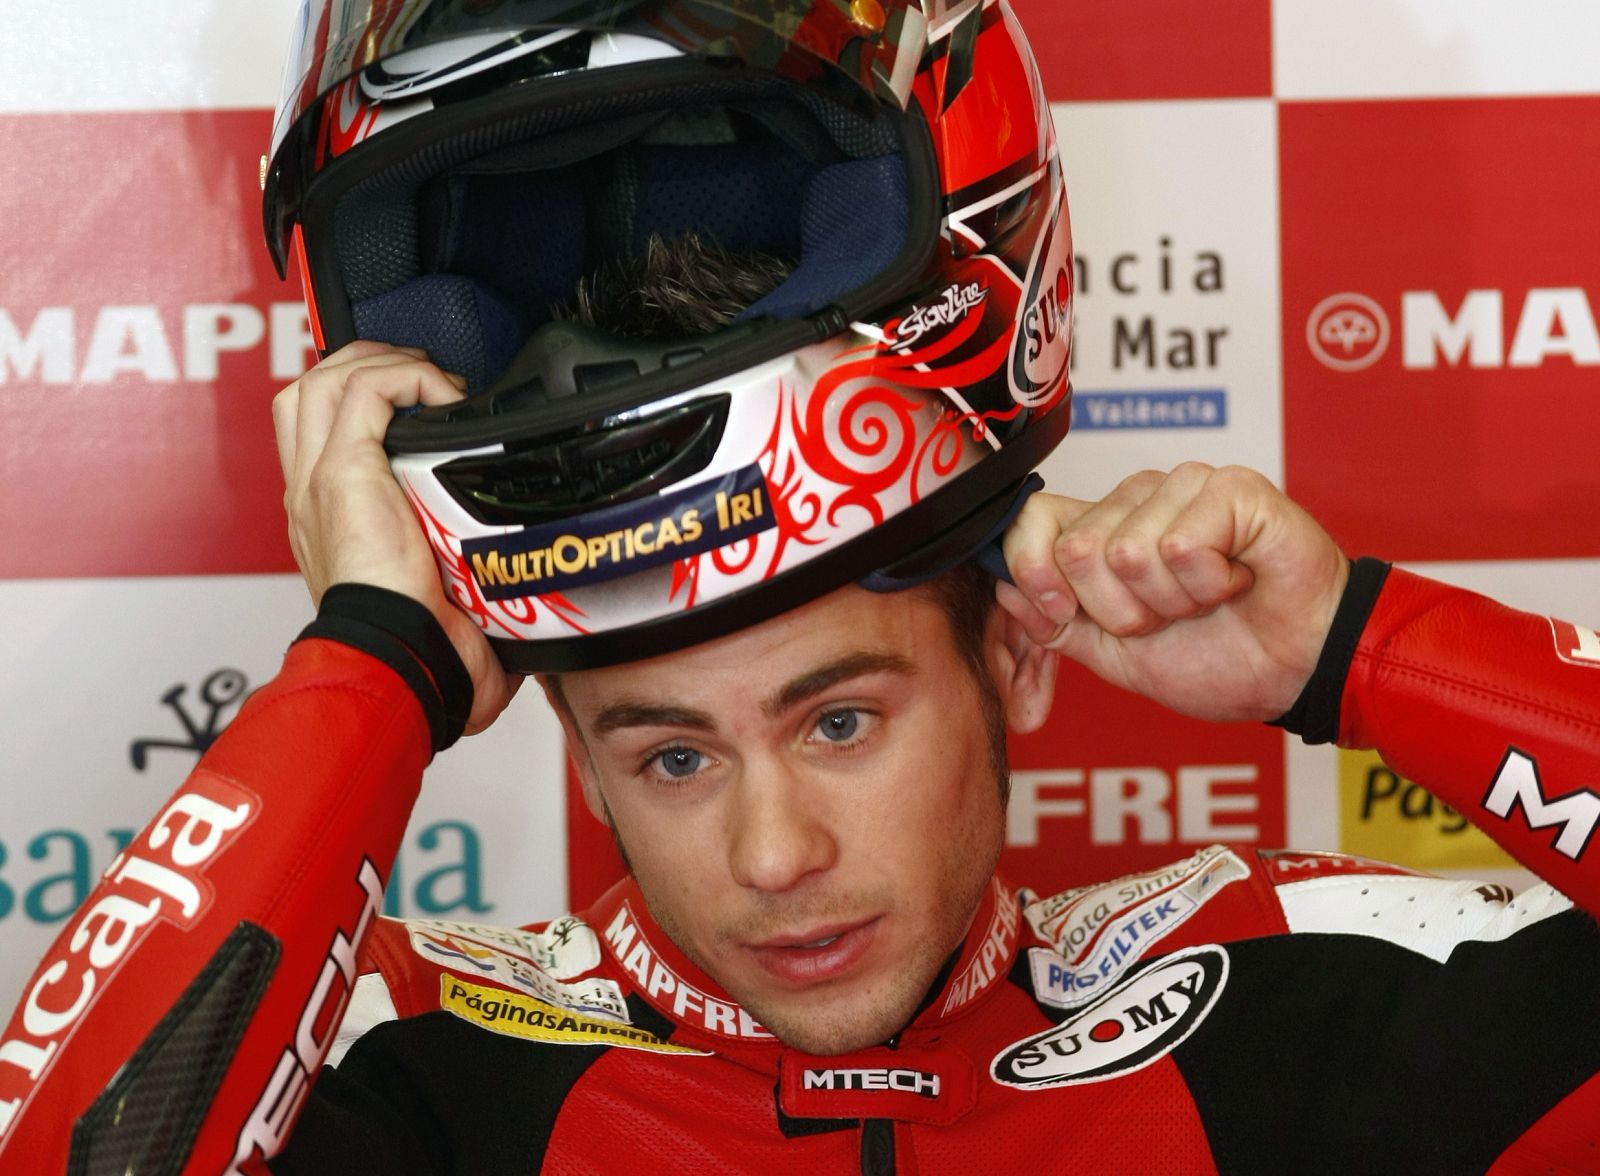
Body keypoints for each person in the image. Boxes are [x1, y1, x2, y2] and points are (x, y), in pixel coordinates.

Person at [3, 2, 1598, 1172]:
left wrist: (1359, 652)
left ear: (1018, 656)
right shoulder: (412, 1058)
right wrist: (371, 667)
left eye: (841, 721)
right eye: (670, 757)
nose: (775, 858)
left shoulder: (1311, 992)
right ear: (579, 758)